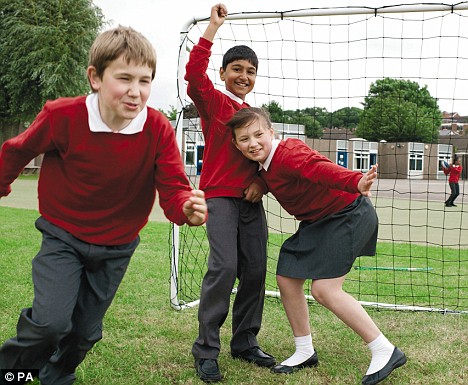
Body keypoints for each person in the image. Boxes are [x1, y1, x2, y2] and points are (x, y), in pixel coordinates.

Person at [0, 26, 207, 385]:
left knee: (84, 333)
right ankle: (12, 374)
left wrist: (186, 207)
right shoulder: (62, 116)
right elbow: (17, 150)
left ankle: (55, 376)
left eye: (144, 81)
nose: (135, 91)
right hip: (63, 235)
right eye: (124, 78)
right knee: (50, 323)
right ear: (95, 77)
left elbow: (173, 188)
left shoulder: (156, 128)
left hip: (117, 246)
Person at [227, 107, 407, 385]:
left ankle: (385, 349)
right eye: (244, 139)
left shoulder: (289, 153)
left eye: (259, 134)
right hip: (318, 222)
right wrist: (260, 184)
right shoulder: (265, 165)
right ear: (236, 145)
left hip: (348, 214)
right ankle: (304, 350)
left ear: (271, 132)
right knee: (287, 277)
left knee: (324, 289)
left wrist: (355, 180)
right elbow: (273, 176)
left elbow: (318, 168)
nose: (253, 143)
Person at [185, 4, 275, 382]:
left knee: (255, 271)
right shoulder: (213, 102)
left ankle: (245, 342)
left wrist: (261, 183)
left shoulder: (256, 116)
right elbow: (193, 75)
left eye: (250, 71)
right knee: (224, 268)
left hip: (251, 203)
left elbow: (270, 160)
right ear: (223, 74)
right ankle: (206, 349)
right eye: (236, 69)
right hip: (220, 198)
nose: (243, 75)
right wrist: (212, 28)